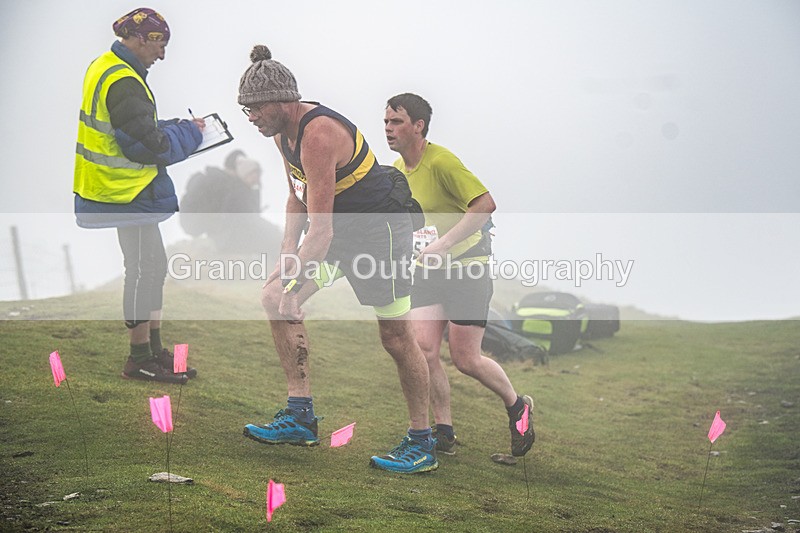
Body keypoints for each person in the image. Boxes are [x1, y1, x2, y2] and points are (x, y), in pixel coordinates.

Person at [237, 45, 437, 473]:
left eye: (255, 108)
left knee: (396, 338)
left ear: (283, 100)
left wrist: (297, 278)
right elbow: (297, 200)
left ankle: (423, 442)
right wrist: (286, 256)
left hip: (380, 230)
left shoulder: (319, 133)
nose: (250, 117)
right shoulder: (280, 133)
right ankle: (300, 415)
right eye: (245, 110)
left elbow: (323, 230)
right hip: (340, 230)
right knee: (274, 297)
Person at [384, 93, 535, 458]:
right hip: (426, 273)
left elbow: (485, 204)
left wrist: (446, 244)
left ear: (418, 126)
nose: (388, 129)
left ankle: (517, 405)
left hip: (468, 270)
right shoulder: (396, 170)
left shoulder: (442, 161)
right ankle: (444, 432)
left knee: (467, 359)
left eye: (397, 122)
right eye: (386, 122)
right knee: (423, 350)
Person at [73, 7, 202, 384]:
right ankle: (139, 357)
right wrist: (192, 135)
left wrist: (176, 125)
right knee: (143, 269)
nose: (161, 55)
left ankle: (153, 351)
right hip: (124, 191)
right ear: (138, 38)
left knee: (152, 266)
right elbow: (150, 147)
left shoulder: (109, 66)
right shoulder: (125, 80)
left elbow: (134, 128)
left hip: (120, 189)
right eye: (159, 44)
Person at [179, 149, 281, 254]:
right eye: (252, 175)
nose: (255, 179)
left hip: (223, 240)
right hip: (232, 241)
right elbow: (248, 220)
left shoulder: (219, 182)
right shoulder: (232, 188)